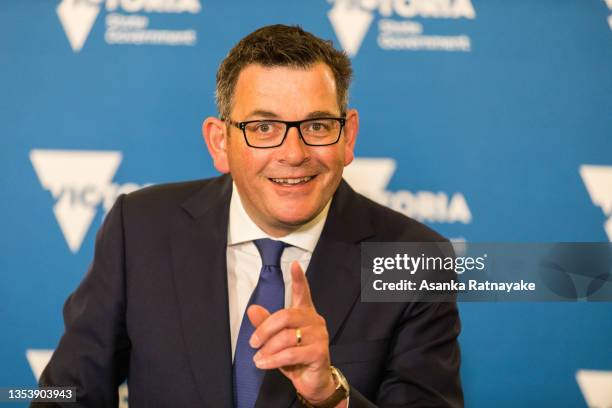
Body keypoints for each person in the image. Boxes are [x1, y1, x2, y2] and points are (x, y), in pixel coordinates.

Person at [36, 24, 463, 407]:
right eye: (263, 128)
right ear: (220, 142)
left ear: (347, 136)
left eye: (316, 126)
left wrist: (331, 396)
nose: (294, 154)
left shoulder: (415, 259)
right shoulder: (140, 228)